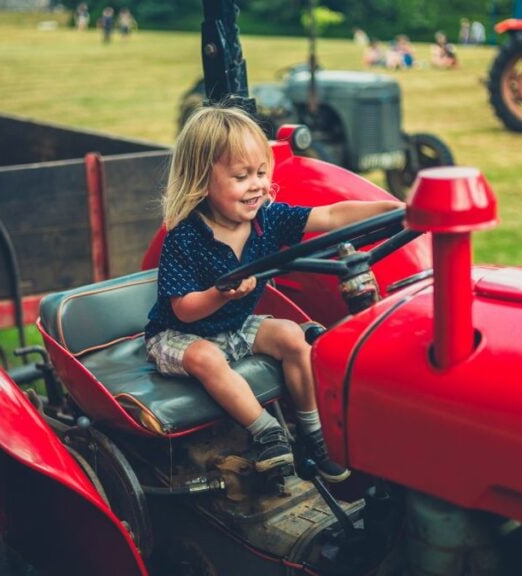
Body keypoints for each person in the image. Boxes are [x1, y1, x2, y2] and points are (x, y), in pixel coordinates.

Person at [145, 106, 402, 482]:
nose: (257, 185)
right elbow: (183, 310)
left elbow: (331, 216)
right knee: (207, 358)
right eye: (241, 176)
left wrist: (396, 209)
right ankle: (267, 433)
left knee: (293, 337)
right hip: (180, 336)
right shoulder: (184, 236)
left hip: (234, 326)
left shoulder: (269, 218)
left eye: (262, 173)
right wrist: (222, 295)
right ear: (202, 180)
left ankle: (313, 433)